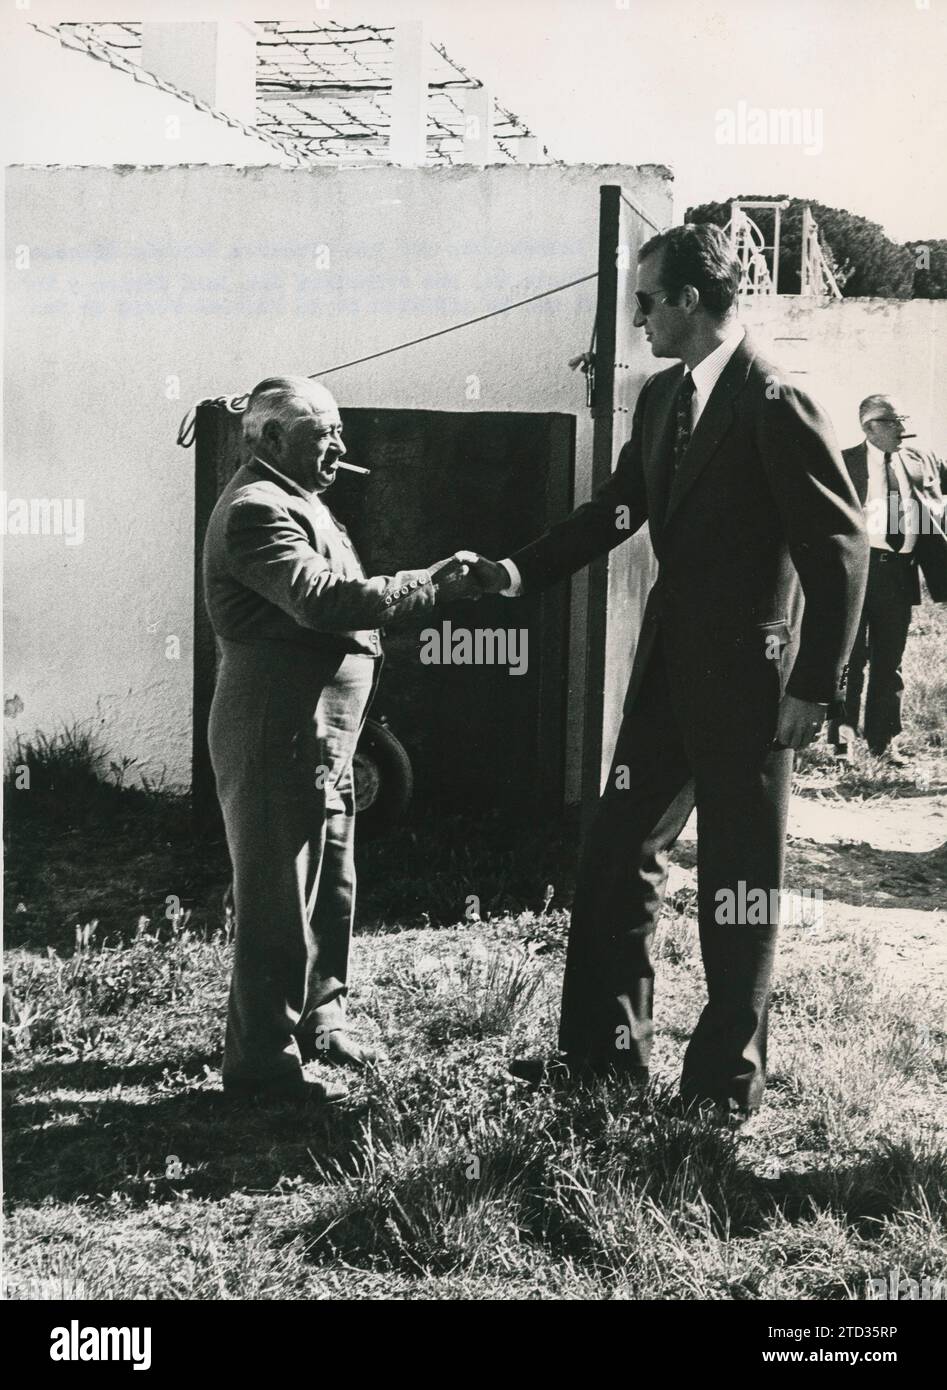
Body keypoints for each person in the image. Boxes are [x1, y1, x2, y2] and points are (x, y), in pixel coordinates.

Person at [462, 223, 869, 1122]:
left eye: (645, 301)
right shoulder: (659, 398)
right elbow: (618, 511)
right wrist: (516, 572)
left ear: (689, 299)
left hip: (752, 683)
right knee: (615, 855)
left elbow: (838, 548)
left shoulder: (776, 400)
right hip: (664, 675)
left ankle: (723, 1086)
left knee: (737, 878)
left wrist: (812, 686)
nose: (636, 318)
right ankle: (602, 1063)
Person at [203, 375, 475, 1102]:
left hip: (320, 735)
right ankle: (261, 1064)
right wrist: (428, 586)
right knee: (277, 897)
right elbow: (320, 600)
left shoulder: (297, 498)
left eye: (338, 432)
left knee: (330, 889)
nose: (338, 447)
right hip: (277, 731)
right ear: (269, 438)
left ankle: (320, 1023)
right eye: (322, 434)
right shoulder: (256, 509)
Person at [827, 395, 947, 765]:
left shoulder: (921, 460)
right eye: (893, 421)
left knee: (890, 662)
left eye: (902, 419)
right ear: (869, 427)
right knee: (849, 662)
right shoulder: (842, 462)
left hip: (899, 573)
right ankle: (842, 745)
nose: (902, 428)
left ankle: (883, 743)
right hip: (856, 572)